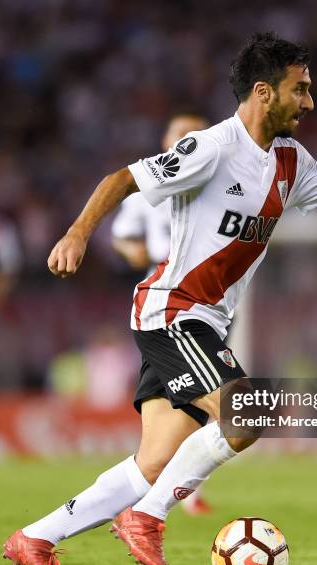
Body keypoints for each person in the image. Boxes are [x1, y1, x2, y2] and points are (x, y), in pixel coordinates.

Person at [4, 32, 317, 565]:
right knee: (251, 411)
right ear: (265, 93)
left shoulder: (292, 161)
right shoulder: (212, 148)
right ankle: (146, 516)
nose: (311, 102)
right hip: (173, 312)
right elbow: (122, 178)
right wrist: (77, 234)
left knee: (152, 464)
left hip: (204, 320)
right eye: (302, 89)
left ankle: (35, 538)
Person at [112, 111, 213, 514]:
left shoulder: (213, 185)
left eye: (196, 134)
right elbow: (121, 235)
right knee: (205, 402)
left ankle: (153, 488)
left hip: (206, 299)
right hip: (163, 300)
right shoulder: (148, 188)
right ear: (166, 139)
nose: (188, 139)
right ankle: (165, 491)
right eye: (181, 133)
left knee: (193, 404)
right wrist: (129, 250)